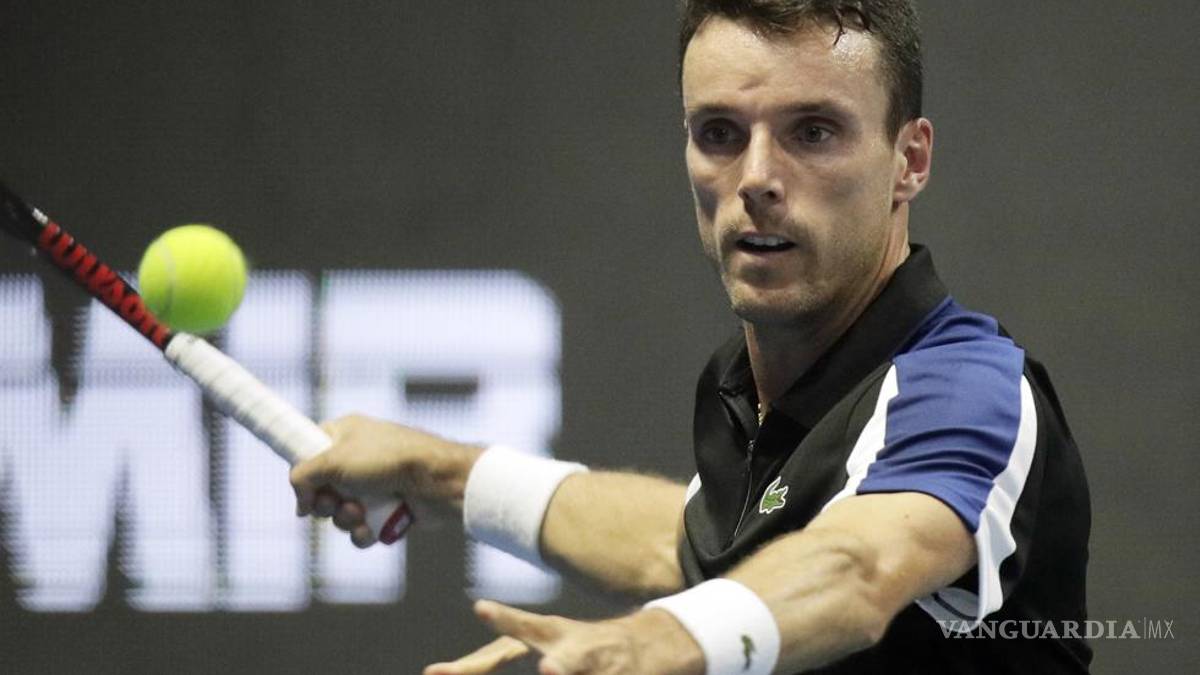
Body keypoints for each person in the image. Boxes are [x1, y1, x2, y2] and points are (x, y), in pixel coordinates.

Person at [290, 2, 1092, 673]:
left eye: (814, 132)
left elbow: (857, 569)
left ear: (909, 159)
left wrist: (652, 640)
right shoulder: (746, 389)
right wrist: (439, 474)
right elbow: (683, 547)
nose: (757, 178)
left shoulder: (965, 388)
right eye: (719, 133)